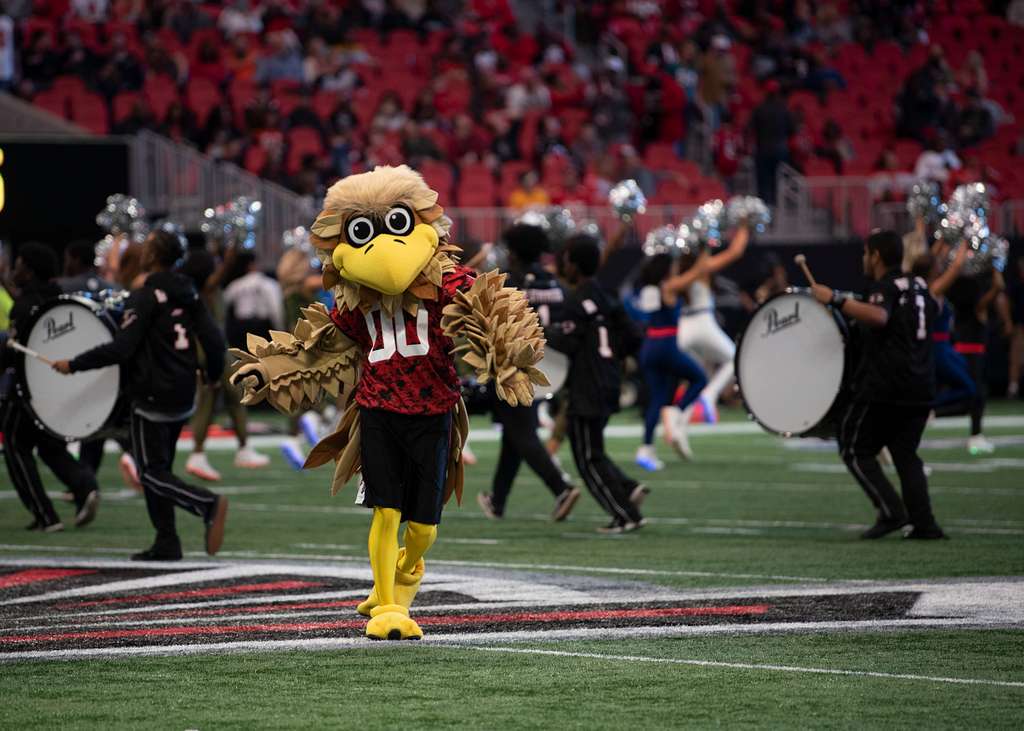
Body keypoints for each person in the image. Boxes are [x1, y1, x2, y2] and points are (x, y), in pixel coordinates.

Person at [52, 230, 229, 560]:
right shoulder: (188, 293)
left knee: (150, 473)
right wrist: (214, 374)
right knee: (159, 466)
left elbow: (122, 348)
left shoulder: (145, 296)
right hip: (183, 393)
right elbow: (214, 340)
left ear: (152, 256)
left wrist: (74, 364)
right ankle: (167, 540)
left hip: (151, 394)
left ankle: (206, 504)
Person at [811, 230, 945, 540]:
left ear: (877, 256)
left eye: (865, 253)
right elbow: (931, 314)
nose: (863, 259)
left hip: (887, 386)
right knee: (905, 454)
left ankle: (891, 511)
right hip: (921, 385)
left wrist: (835, 299)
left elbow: (879, 316)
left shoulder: (884, 287)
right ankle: (925, 524)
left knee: (853, 447)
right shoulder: (920, 285)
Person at [476, 223, 580, 521]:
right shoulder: (555, 283)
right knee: (514, 433)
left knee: (521, 433)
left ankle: (560, 488)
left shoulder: (511, 281)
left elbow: (494, 325)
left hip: (513, 365)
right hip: (549, 366)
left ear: (514, 252)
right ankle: (498, 500)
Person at [547, 235, 646, 533]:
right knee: (594, 450)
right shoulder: (606, 296)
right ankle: (628, 490)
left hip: (586, 385)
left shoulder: (576, 302)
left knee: (587, 458)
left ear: (573, 265)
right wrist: (612, 358)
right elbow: (633, 337)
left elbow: (566, 342)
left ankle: (625, 514)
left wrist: (538, 332)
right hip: (609, 380)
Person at [2, 243, 101, 531]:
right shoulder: (59, 297)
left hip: (26, 391)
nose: (14, 270)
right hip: (58, 386)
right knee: (49, 446)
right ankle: (86, 484)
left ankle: (45, 515)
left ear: (29, 271)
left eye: (19, 265)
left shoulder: (23, 306)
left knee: (14, 445)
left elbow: (15, 351)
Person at [178, 245, 269, 480]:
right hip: (209, 348)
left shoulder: (198, 287)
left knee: (230, 396)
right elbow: (221, 272)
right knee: (212, 398)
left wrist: (219, 250)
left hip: (213, 347)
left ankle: (239, 449)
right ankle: (201, 454)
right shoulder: (204, 287)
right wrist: (229, 254)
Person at [672, 223, 750, 452]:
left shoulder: (677, 268)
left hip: (683, 327)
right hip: (702, 322)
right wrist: (745, 224)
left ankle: (679, 428)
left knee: (693, 379)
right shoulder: (702, 267)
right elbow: (736, 252)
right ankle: (710, 395)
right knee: (735, 359)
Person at [633, 251, 708, 470]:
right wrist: (703, 249)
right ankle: (676, 412)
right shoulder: (669, 286)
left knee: (656, 401)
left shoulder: (651, 288)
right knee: (700, 378)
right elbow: (698, 272)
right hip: (665, 346)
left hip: (649, 346)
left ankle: (646, 449)